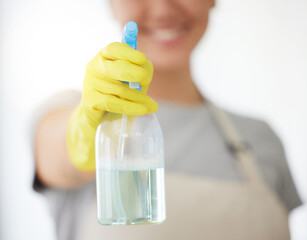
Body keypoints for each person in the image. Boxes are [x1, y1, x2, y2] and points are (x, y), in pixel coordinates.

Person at [33, 0, 301, 239]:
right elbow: (57, 155)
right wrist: (84, 131)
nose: (162, 8)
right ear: (110, 4)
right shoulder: (64, 112)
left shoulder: (261, 139)